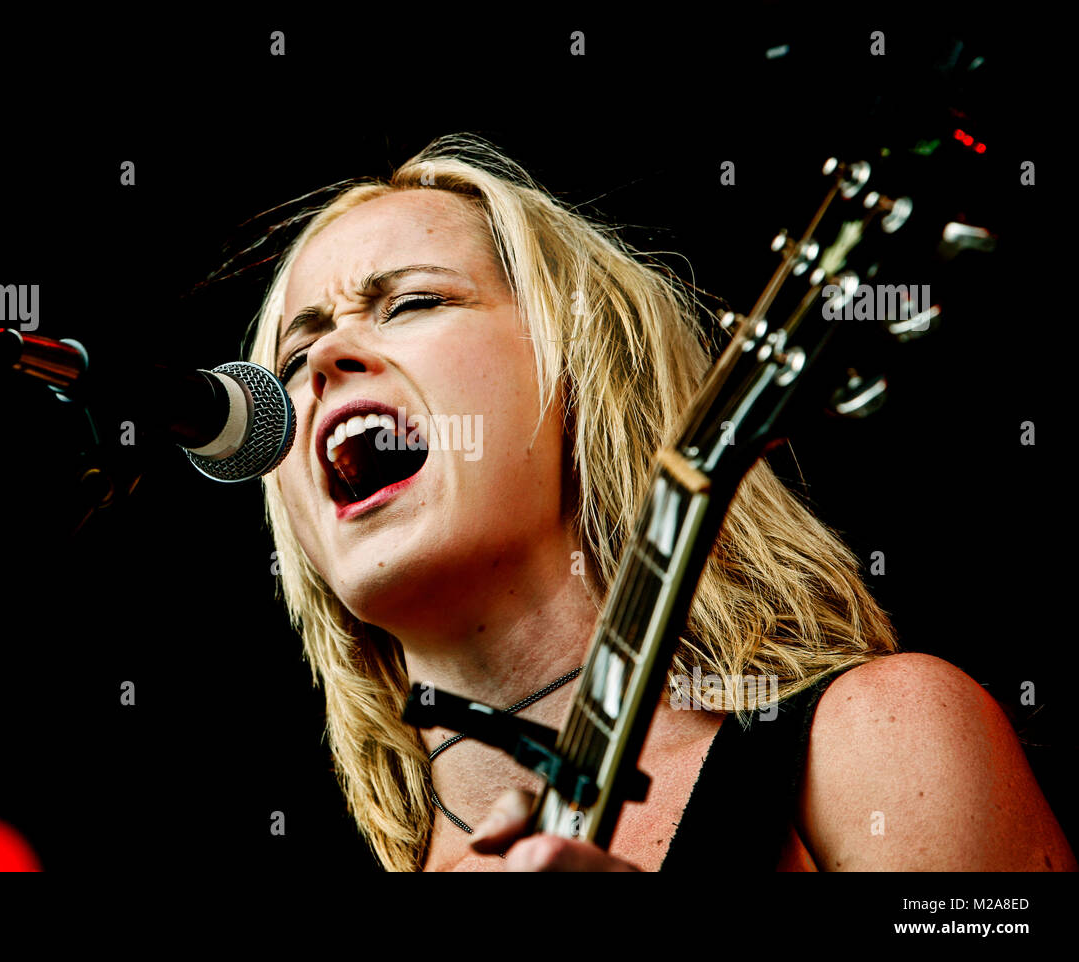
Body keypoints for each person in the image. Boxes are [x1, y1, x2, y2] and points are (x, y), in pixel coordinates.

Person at [239, 132, 1076, 872]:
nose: (326, 359)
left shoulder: (877, 740)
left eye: (412, 302)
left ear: (586, 375)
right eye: (294, 353)